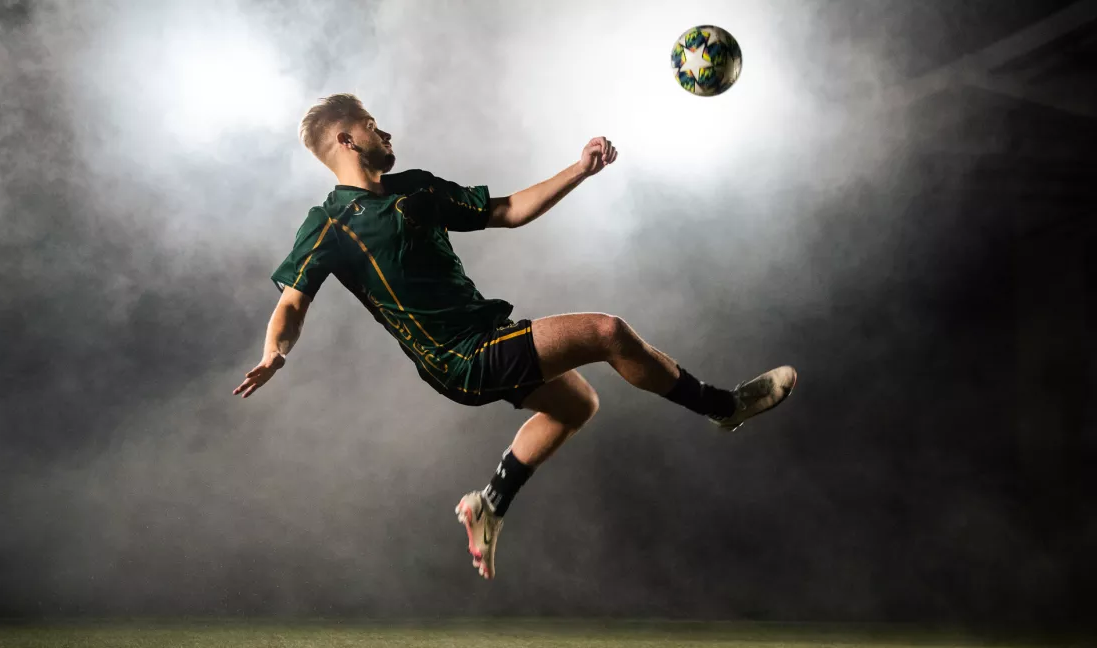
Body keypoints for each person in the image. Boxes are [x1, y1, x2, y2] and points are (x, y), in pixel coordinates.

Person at [234, 94, 797, 580]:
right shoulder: (331, 223)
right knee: (607, 332)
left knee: (577, 404)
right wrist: (274, 353)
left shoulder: (417, 189)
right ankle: (724, 405)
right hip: (457, 359)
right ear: (345, 138)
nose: (385, 132)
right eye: (373, 124)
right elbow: (291, 302)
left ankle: (490, 503)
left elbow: (506, 210)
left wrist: (579, 170)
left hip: (487, 334)